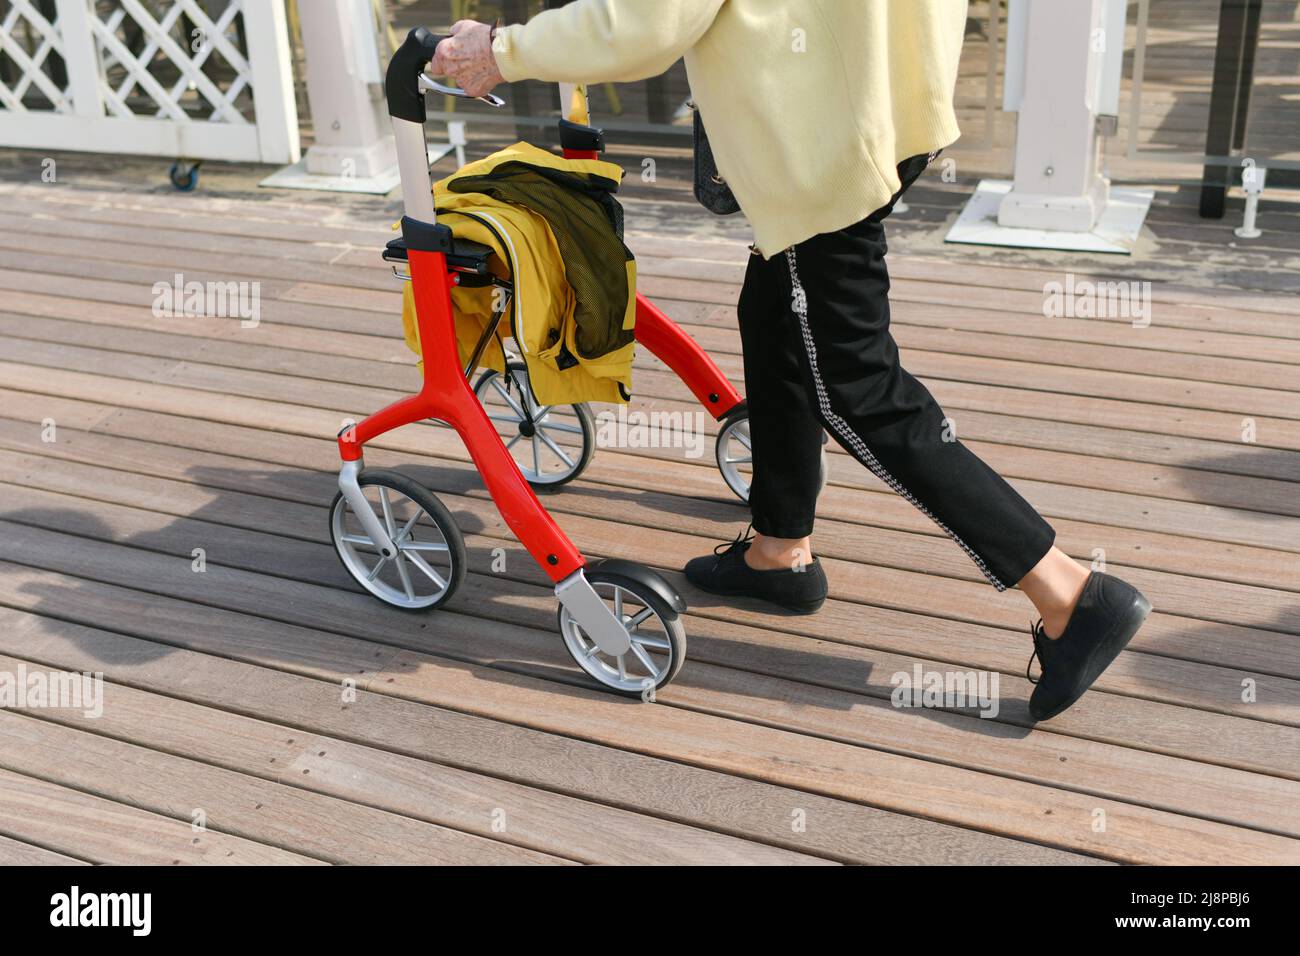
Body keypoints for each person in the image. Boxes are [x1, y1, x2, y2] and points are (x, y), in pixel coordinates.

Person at [433, 0, 1151, 721]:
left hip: (823, 140)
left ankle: (1069, 593)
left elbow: (648, 22)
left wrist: (503, 50)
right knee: (775, 314)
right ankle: (779, 550)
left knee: (857, 387)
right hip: (882, 97)